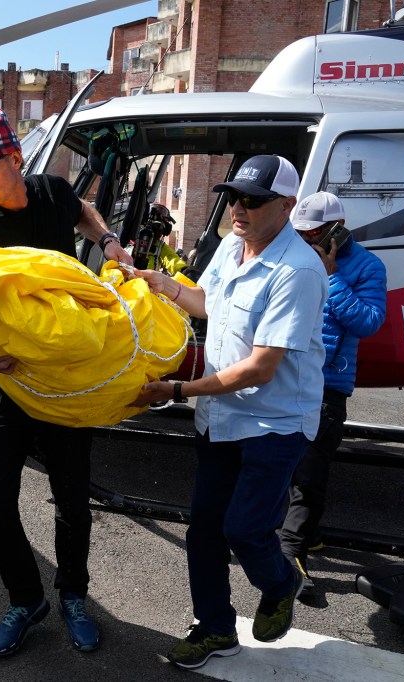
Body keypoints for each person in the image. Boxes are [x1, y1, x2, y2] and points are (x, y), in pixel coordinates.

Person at [130, 155, 328, 670]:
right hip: (220, 417)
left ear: (286, 207)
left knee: (244, 529)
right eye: (236, 196)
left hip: (274, 422)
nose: (239, 208)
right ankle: (215, 628)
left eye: (254, 200)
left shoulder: (299, 270)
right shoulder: (230, 248)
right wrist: (161, 284)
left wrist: (178, 390)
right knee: (205, 530)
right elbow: (207, 303)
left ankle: (283, 581)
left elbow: (262, 368)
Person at [0, 108, 133, 657]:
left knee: (72, 499)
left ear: (14, 159)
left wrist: (109, 244)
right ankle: (26, 599)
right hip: (4, 377)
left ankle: (73, 596)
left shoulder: (52, 193)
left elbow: (86, 212)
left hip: (63, 377)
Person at [279, 192, 387, 595]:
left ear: (337, 231)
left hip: (327, 384)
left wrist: (333, 276)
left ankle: (291, 555)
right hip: (288, 373)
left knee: (310, 470)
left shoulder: (366, 266)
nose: (306, 241)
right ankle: (309, 531)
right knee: (287, 459)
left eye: (314, 235)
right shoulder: (296, 253)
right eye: (301, 234)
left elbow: (370, 321)